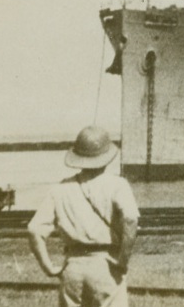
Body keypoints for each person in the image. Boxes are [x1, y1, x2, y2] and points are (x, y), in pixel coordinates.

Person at [27, 126, 139, 307]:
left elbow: (34, 229)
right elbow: (131, 219)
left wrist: (48, 267)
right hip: (106, 265)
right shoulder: (118, 185)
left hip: (73, 267)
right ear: (106, 157)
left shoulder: (60, 189)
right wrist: (122, 260)